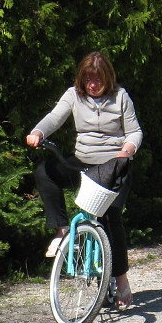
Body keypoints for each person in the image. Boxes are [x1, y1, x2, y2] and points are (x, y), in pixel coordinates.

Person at [26, 51, 142, 309]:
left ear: (108, 79)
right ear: (82, 79)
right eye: (89, 80)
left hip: (113, 166)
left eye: (98, 80)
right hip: (82, 162)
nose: (93, 85)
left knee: (112, 217)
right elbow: (54, 117)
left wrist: (127, 150)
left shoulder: (121, 97)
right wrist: (37, 131)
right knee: (45, 172)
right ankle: (62, 230)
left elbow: (134, 132)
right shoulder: (73, 95)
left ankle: (121, 279)